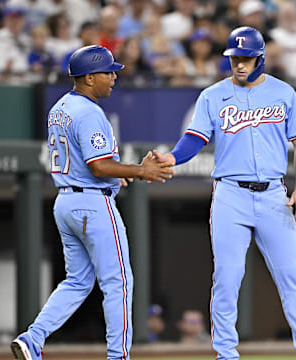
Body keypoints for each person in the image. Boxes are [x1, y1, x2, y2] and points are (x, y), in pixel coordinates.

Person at [153, 26, 296, 360]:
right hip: (230, 195)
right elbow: (195, 138)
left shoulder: (283, 93)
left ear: (261, 58)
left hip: (273, 195)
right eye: (235, 58)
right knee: (227, 278)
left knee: (293, 274)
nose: (240, 65)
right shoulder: (213, 95)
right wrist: (173, 157)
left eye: (247, 58)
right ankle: (225, 354)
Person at [10, 45, 174, 360]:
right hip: (92, 205)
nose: (113, 77)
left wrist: (118, 176)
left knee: (78, 281)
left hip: (67, 201)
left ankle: (33, 338)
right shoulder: (88, 111)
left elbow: (92, 166)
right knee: (120, 282)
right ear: (87, 78)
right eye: (107, 72)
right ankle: (118, 356)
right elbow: (98, 165)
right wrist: (140, 171)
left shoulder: (60, 106)